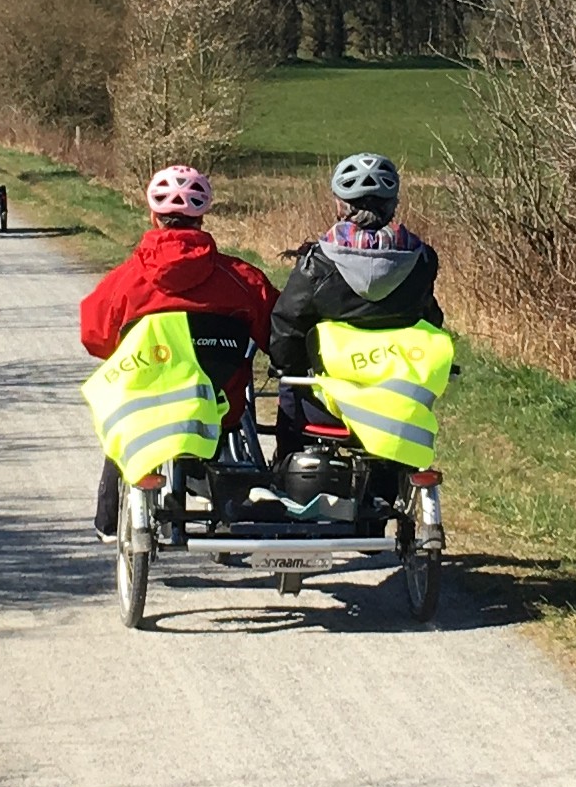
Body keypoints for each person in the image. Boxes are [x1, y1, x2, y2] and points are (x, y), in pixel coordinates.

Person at [78, 165, 279, 534]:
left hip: (144, 404)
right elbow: (277, 334)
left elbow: (95, 336)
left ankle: (108, 521)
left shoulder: (125, 279)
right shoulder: (240, 278)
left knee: (121, 428)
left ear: (153, 216)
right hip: (219, 409)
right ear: (202, 218)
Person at [269, 152, 446, 481]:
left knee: (290, 389)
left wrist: (286, 366)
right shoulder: (421, 260)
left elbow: (287, 324)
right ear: (393, 205)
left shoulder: (318, 262)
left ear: (340, 204)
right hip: (398, 399)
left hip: (327, 403)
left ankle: (285, 469)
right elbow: (429, 319)